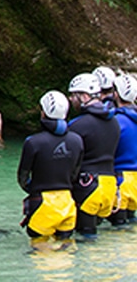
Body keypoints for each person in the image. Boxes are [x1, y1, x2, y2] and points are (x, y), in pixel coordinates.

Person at [17, 90, 84, 247]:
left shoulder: (33, 142)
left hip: (42, 202)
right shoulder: (77, 140)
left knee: (40, 253)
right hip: (67, 202)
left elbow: (22, 177)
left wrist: (33, 189)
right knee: (66, 249)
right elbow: (75, 173)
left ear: (43, 113)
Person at [67, 72, 120, 238]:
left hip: (88, 185)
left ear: (84, 96)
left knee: (85, 238)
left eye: (73, 95)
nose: (70, 99)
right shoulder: (115, 122)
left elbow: (68, 160)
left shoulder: (78, 125)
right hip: (110, 186)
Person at [107, 74, 137, 226]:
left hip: (121, 178)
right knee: (132, 221)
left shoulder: (116, 122)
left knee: (119, 225)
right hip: (136, 180)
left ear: (116, 94)